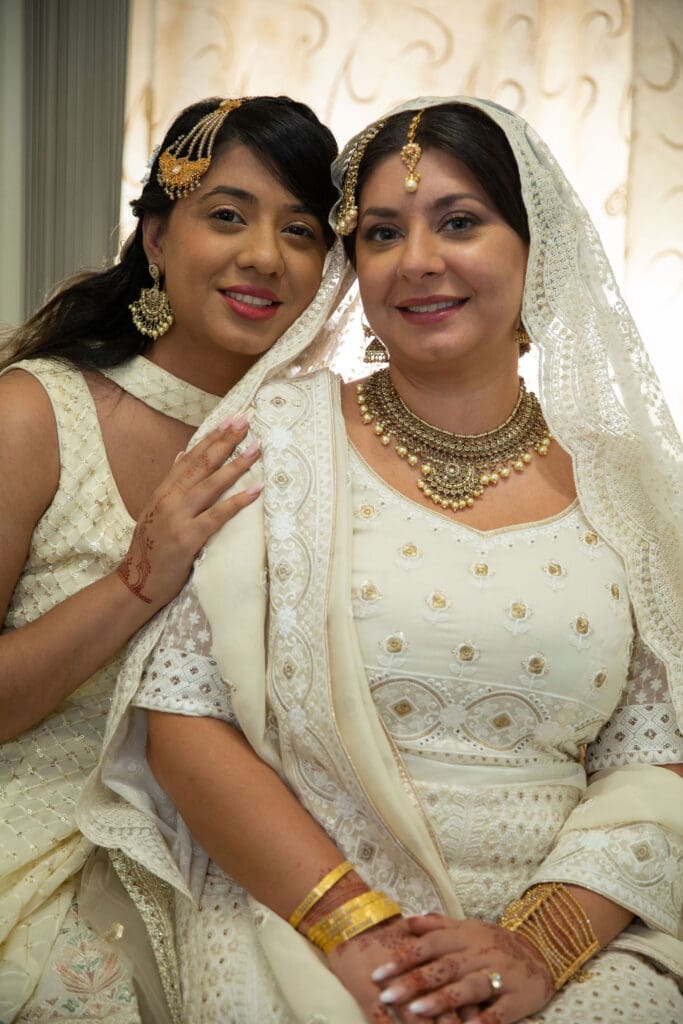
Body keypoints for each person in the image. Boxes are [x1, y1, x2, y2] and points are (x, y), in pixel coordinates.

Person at [79, 97, 683, 1024]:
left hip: (566, 940)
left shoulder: (625, 484)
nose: (418, 261)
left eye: (460, 222)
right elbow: (187, 720)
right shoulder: (272, 440)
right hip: (302, 916)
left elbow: (655, 757)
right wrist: (355, 929)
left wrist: (540, 943)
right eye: (382, 233)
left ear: (536, 247)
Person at [0, 94, 342, 1023]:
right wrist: (137, 580)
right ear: (156, 237)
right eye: (227, 215)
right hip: (59, 841)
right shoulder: (39, 412)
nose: (263, 256)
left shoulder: (324, 439)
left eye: (301, 230)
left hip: (269, 848)